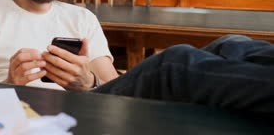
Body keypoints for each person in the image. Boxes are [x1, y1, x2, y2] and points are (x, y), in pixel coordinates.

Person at [93, 34, 274, 116]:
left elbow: (109, 79)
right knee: (233, 42)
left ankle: (80, 106)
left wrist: (92, 81)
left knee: (175, 64)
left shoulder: (83, 18)